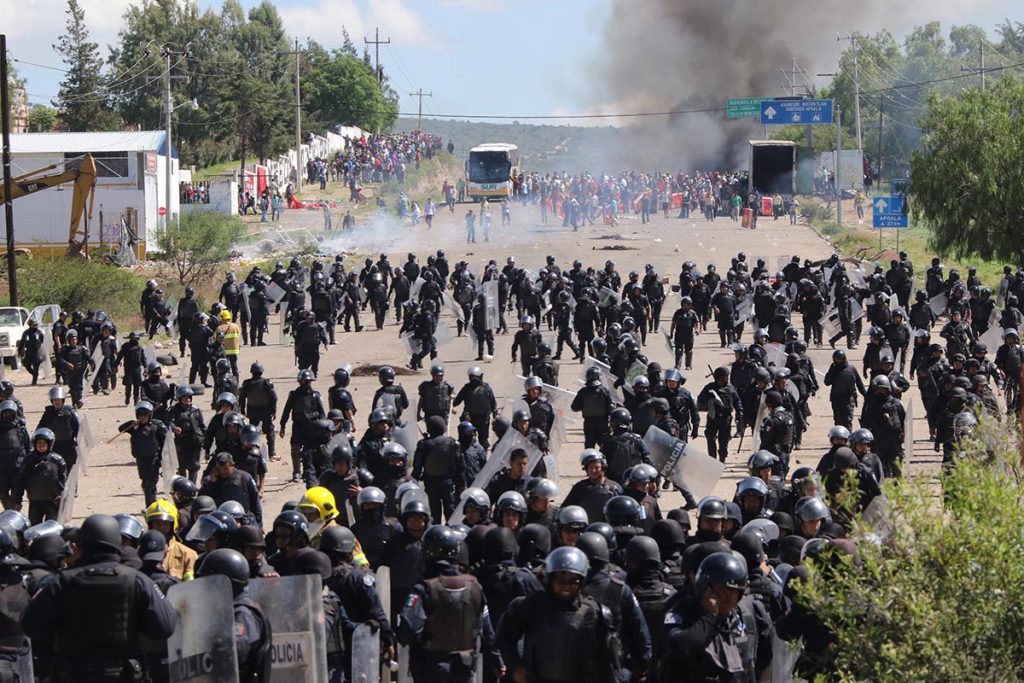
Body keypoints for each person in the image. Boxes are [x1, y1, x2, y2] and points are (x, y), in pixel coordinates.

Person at [22, 514, 178, 681]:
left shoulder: (62, 582)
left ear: (81, 546)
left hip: (75, 674)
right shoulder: (137, 580)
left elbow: (31, 625)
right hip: (123, 675)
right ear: (118, 544)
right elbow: (165, 627)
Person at [397, 525, 501, 682]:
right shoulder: (474, 586)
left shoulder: (424, 589)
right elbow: (488, 631)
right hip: (464, 668)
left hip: (431, 668)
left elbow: (409, 628)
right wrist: (497, 661)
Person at [659, 551, 759, 679]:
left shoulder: (736, 618)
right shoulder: (681, 611)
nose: (730, 597)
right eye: (724, 590)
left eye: (735, 591)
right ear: (705, 588)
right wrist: (709, 617)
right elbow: (678, 645)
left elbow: (747, 665)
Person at [194, 548, 273, 680]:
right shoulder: (226, 610)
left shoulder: (242, 613)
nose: (206, 588)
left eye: (210, 582)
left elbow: (235, 653)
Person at [412, 416, 466, 523]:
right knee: (451, 512)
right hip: (448, 483)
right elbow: (461, 466)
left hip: (431, 484)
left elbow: (417, 467)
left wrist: (413, 483)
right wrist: (462, 484)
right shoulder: (453, 443)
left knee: (434, 514)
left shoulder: (424, 444)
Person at [11, 428, 66, 524]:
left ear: (50, 444)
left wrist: (62, 495)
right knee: (34, 527)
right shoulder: (28, 460)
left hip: (53, 502)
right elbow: (20, 482)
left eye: (44, 443)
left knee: (52, 528)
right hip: (35, 502)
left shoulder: (57, 460)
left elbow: (63, 480)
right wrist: (17, 501)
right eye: (39, 443)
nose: (41, 446)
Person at [118, 401, 168, 506]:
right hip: (141, 458)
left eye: (145, 414)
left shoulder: (156, 426)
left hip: (154, 458)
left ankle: (151, 505)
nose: (143, 417)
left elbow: (166, 441)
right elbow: (121, 429)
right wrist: (131, 423)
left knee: (151, 482)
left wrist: (162, 458)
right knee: (145, 482)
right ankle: (150, 502)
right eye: (140, 415)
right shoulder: (134, 427)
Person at [280, 370, 326, 483]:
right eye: (305, 381)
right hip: (298, 426)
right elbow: (287, 410)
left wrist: (323, 426)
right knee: (295, 448)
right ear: (300, 381)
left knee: (310, 450)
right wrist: (282, 425)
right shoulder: (294, 395)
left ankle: (308, 471)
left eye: (309, 381)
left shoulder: (316, 395)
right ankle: (296, 472)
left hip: (313, 427)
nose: (307, 383)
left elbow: (322, 412)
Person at [37, 386, 80, 469]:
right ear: (52, 401)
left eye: (59, 400)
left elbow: (77, 428)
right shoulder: (48, 413)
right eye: (55, 400)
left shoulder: (69, 412)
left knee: (70, 470)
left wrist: (76, 441)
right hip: (54, 446)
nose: (57, 402)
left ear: (62, 400)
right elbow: (41, 428)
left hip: (68, 446)